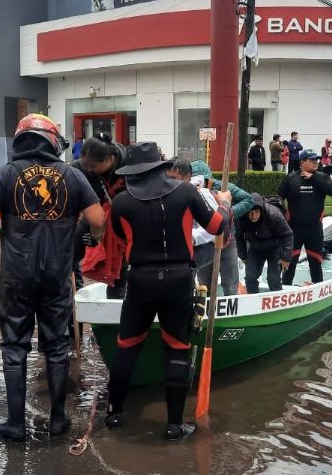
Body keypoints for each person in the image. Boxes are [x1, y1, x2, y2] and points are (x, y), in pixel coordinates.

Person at [0, 115, 105, 441]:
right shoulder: (71, 175)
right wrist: (95, 238)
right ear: (52, 141)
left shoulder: (6, 173)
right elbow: (97, 217)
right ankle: (58, 421)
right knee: (57, 346)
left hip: (17, 276)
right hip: (57, 276)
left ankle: (15, 424)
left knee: (14, 347)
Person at [105, 142, 231, 442]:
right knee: (177, 348)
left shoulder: (121, 202)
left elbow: (121, 237)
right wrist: (223, 202)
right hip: (178, 278)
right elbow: (217, 226)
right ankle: (175, 425)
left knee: (127, 346)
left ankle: (113, 413)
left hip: (140, 281)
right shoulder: (186, 192)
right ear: (161, 166)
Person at [71, 132, 128, 298]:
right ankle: (74, 299)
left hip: (125, 218)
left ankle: (116, 311)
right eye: (86, 165)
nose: (89, 170)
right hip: (95, 213)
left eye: (93, 166)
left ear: (109, 159)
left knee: (121, 270)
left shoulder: (130, 166)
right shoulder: (80, 168)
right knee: (69, 253)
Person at [189, 160, 254, 297]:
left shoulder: (223, 187)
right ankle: (204, 312)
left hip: (226, 240)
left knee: (230, 284)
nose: (202, 185)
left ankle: (233, 313)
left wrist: (227, 212)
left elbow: (248, 200)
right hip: (204, 243)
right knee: (204, 285)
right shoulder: (189, 191)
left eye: (206, 181)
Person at [277, 149, 332, 286]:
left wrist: (314, 178)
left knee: (315, 263)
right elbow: (278, 199)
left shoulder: (322, 177)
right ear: (302, 162)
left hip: (314, 230)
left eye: (316, 159)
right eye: (311, 160)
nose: (315, 162)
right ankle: (285, 290)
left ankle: (318, 290)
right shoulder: (290, 179)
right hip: (293, 230)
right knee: (289, 265)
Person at [236, 193, 293, 293]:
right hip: (255, 247)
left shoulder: (274, 214)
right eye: (250, 212)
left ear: (261, 210)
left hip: (275, 247)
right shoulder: (241, 217)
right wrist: (243, 256)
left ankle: (277, 303)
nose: (253, 216)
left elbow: (288, 235)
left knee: (273, 279)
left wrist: (285, 258)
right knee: (250, 277)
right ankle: (253, 301)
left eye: (256, 212)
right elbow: (239, 237)